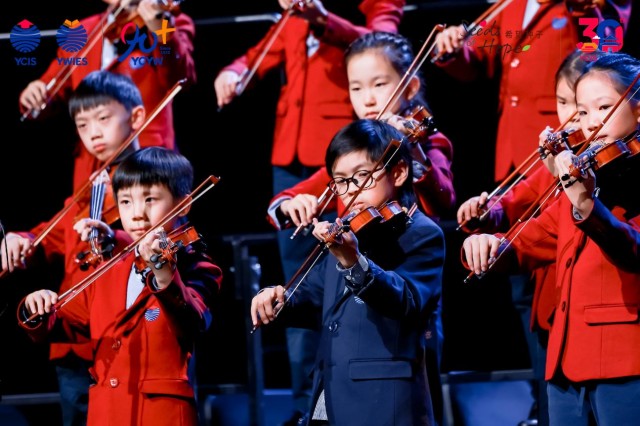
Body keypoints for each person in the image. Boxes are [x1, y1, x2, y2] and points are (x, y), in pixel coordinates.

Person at [215, 2, 405, 423]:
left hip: (346, 146)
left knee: (354, 279)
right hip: (292, 153)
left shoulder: (333, 13)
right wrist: (235, 69)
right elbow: (262, 51)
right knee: (299, 283)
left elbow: (381, 41)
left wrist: (321, 17)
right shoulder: (292, 16)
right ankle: (307, 405)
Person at [265, 30, 455, 425]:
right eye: (356, 87)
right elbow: (292, 195)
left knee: (410, 379)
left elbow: (443, 198)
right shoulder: (353, 153)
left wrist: (411, 151)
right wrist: (291, 202)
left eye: (379, 84)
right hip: (349, 280)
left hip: (407, 273)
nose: (367, 98)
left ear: (409, 87)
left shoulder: (427, 143)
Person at [461, 52, 640, 425]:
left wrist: (587, 205)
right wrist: (493, 245)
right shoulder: (586, 174)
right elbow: (534, 238)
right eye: (582, 111)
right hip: (564, 364)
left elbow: (633, 251)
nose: (591, 122)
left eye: (603, 107)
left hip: (625, 361)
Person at [252, 118, 446, 426]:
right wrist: (279, 299)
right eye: (341, 181)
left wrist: (353, 262)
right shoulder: (346, 232)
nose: (351, 191)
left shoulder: (421, 233)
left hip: (384, 402)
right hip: (329, 395)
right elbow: (314, 295)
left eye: (362, 177)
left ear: (398, 173)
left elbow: (406, 301)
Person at [17, 146, 223, 426]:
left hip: (162, 414)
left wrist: (164, 275)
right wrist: (37, 309)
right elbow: (66, 323)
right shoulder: (110, 267)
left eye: (150, 199)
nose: (137, 213)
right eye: (125, 202)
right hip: (106, 413)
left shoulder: (196, 267)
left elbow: (191, 323)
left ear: (184, 204)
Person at [2, 70, 144, 426]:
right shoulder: (90, 190)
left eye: (103, 119)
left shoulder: (155, 181)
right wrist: (22, 239)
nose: (93, 133)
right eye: (82, 125)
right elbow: (52, 234)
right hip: (75, 339)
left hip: (129, 337)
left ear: (137, 117)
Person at [433, 0, 631, 182]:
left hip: (562, 137)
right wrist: (453, 49)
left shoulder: (584, 5)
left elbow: (607, 45)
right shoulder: (512, 3)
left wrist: (582, 9)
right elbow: (480, 56)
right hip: (510, 143)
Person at [19, 0, 196, 190]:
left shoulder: (170, 21)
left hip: (146, 157)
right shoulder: (82, 30)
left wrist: (161, 30)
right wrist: (36, 92)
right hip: (92, 163)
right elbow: (53, 85)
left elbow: (182, 77)